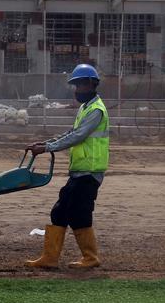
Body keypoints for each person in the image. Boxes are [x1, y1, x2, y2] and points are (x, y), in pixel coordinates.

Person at [24, 63, 108, 270]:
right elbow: (70, 132)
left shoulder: (96, 110)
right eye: (75, 86)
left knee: (79, 214)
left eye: (79, 85)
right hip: (79, 171)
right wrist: (45, 144)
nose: (76, 90)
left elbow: (78, 136)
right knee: (59, 212)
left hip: (90, 172)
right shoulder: (85, 108)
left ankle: (91, 258)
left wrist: (47, 149)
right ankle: (49, 258)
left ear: (90, 84)